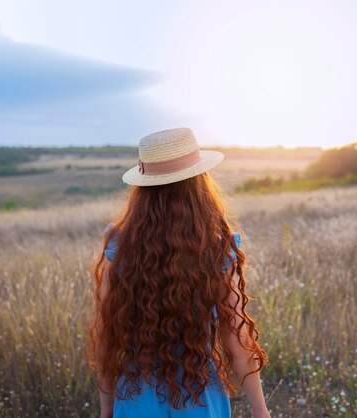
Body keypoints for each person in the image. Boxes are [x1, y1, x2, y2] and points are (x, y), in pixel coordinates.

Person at [87, 128, 270, 418]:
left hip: (135, 399)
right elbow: (238, 341)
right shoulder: (216, 247)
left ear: (142, 188)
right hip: (200, 396)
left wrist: (107, 407)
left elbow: (104, 334)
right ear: (201, 183)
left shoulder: (119, 245)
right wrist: (261, 412)